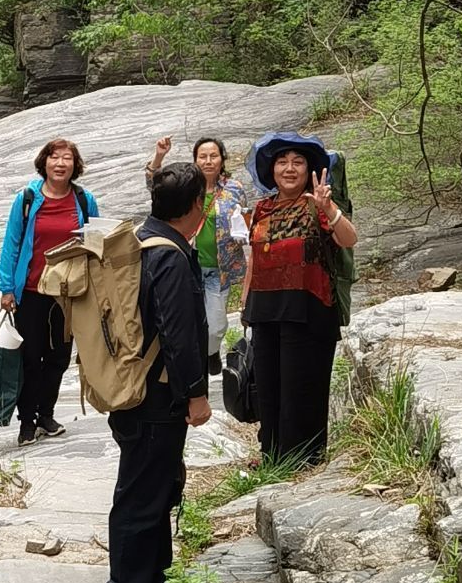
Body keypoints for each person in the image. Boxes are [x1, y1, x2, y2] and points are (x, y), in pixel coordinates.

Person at [102, 162, 211, 583]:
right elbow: (178, 332)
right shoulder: (168, 253)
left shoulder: (141, 239)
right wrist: (196, 394)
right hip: (155, 394)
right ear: (195, 206)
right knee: (143, 494)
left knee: (154, 487)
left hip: (134, 388)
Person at [242, 133, 358, 466]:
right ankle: (273, 455)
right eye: (282, 162)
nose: (289, 169)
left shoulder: (316, 204)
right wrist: (245, 305)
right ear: (272, 170)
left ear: (309, 169)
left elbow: (349, 239)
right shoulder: (262, 208)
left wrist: (329, 208)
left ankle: (304, 457)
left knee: (302, 385)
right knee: (268, 385)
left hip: (309, 309)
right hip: (265, 308)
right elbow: (255, 258)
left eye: (298, 162)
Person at [0, 137, 99, 447]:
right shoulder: (27, 199)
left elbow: (95, 242)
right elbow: (11, 243)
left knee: (58, 358)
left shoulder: (84, 200)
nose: (60, 163)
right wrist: (6, 288)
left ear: (74, 165)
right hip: (30, 291)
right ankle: (26, 421)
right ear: (44, 162)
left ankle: (47, 415)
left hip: (68, 294)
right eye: (55, 157)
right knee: (30, 358)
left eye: (67, 158)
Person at [146, 134, 249, 374]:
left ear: (222, 160)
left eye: (214, 156)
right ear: (195, 160)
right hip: (186, 264)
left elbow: (245, 223)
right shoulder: (186, 185)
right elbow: (154, 184)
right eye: (202, 156)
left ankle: (210, 351)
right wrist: (160, 155)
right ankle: (196, 365)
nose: (208, 161)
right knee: (184, 320)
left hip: (218, 269)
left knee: (215, 326)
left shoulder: (234, 190)